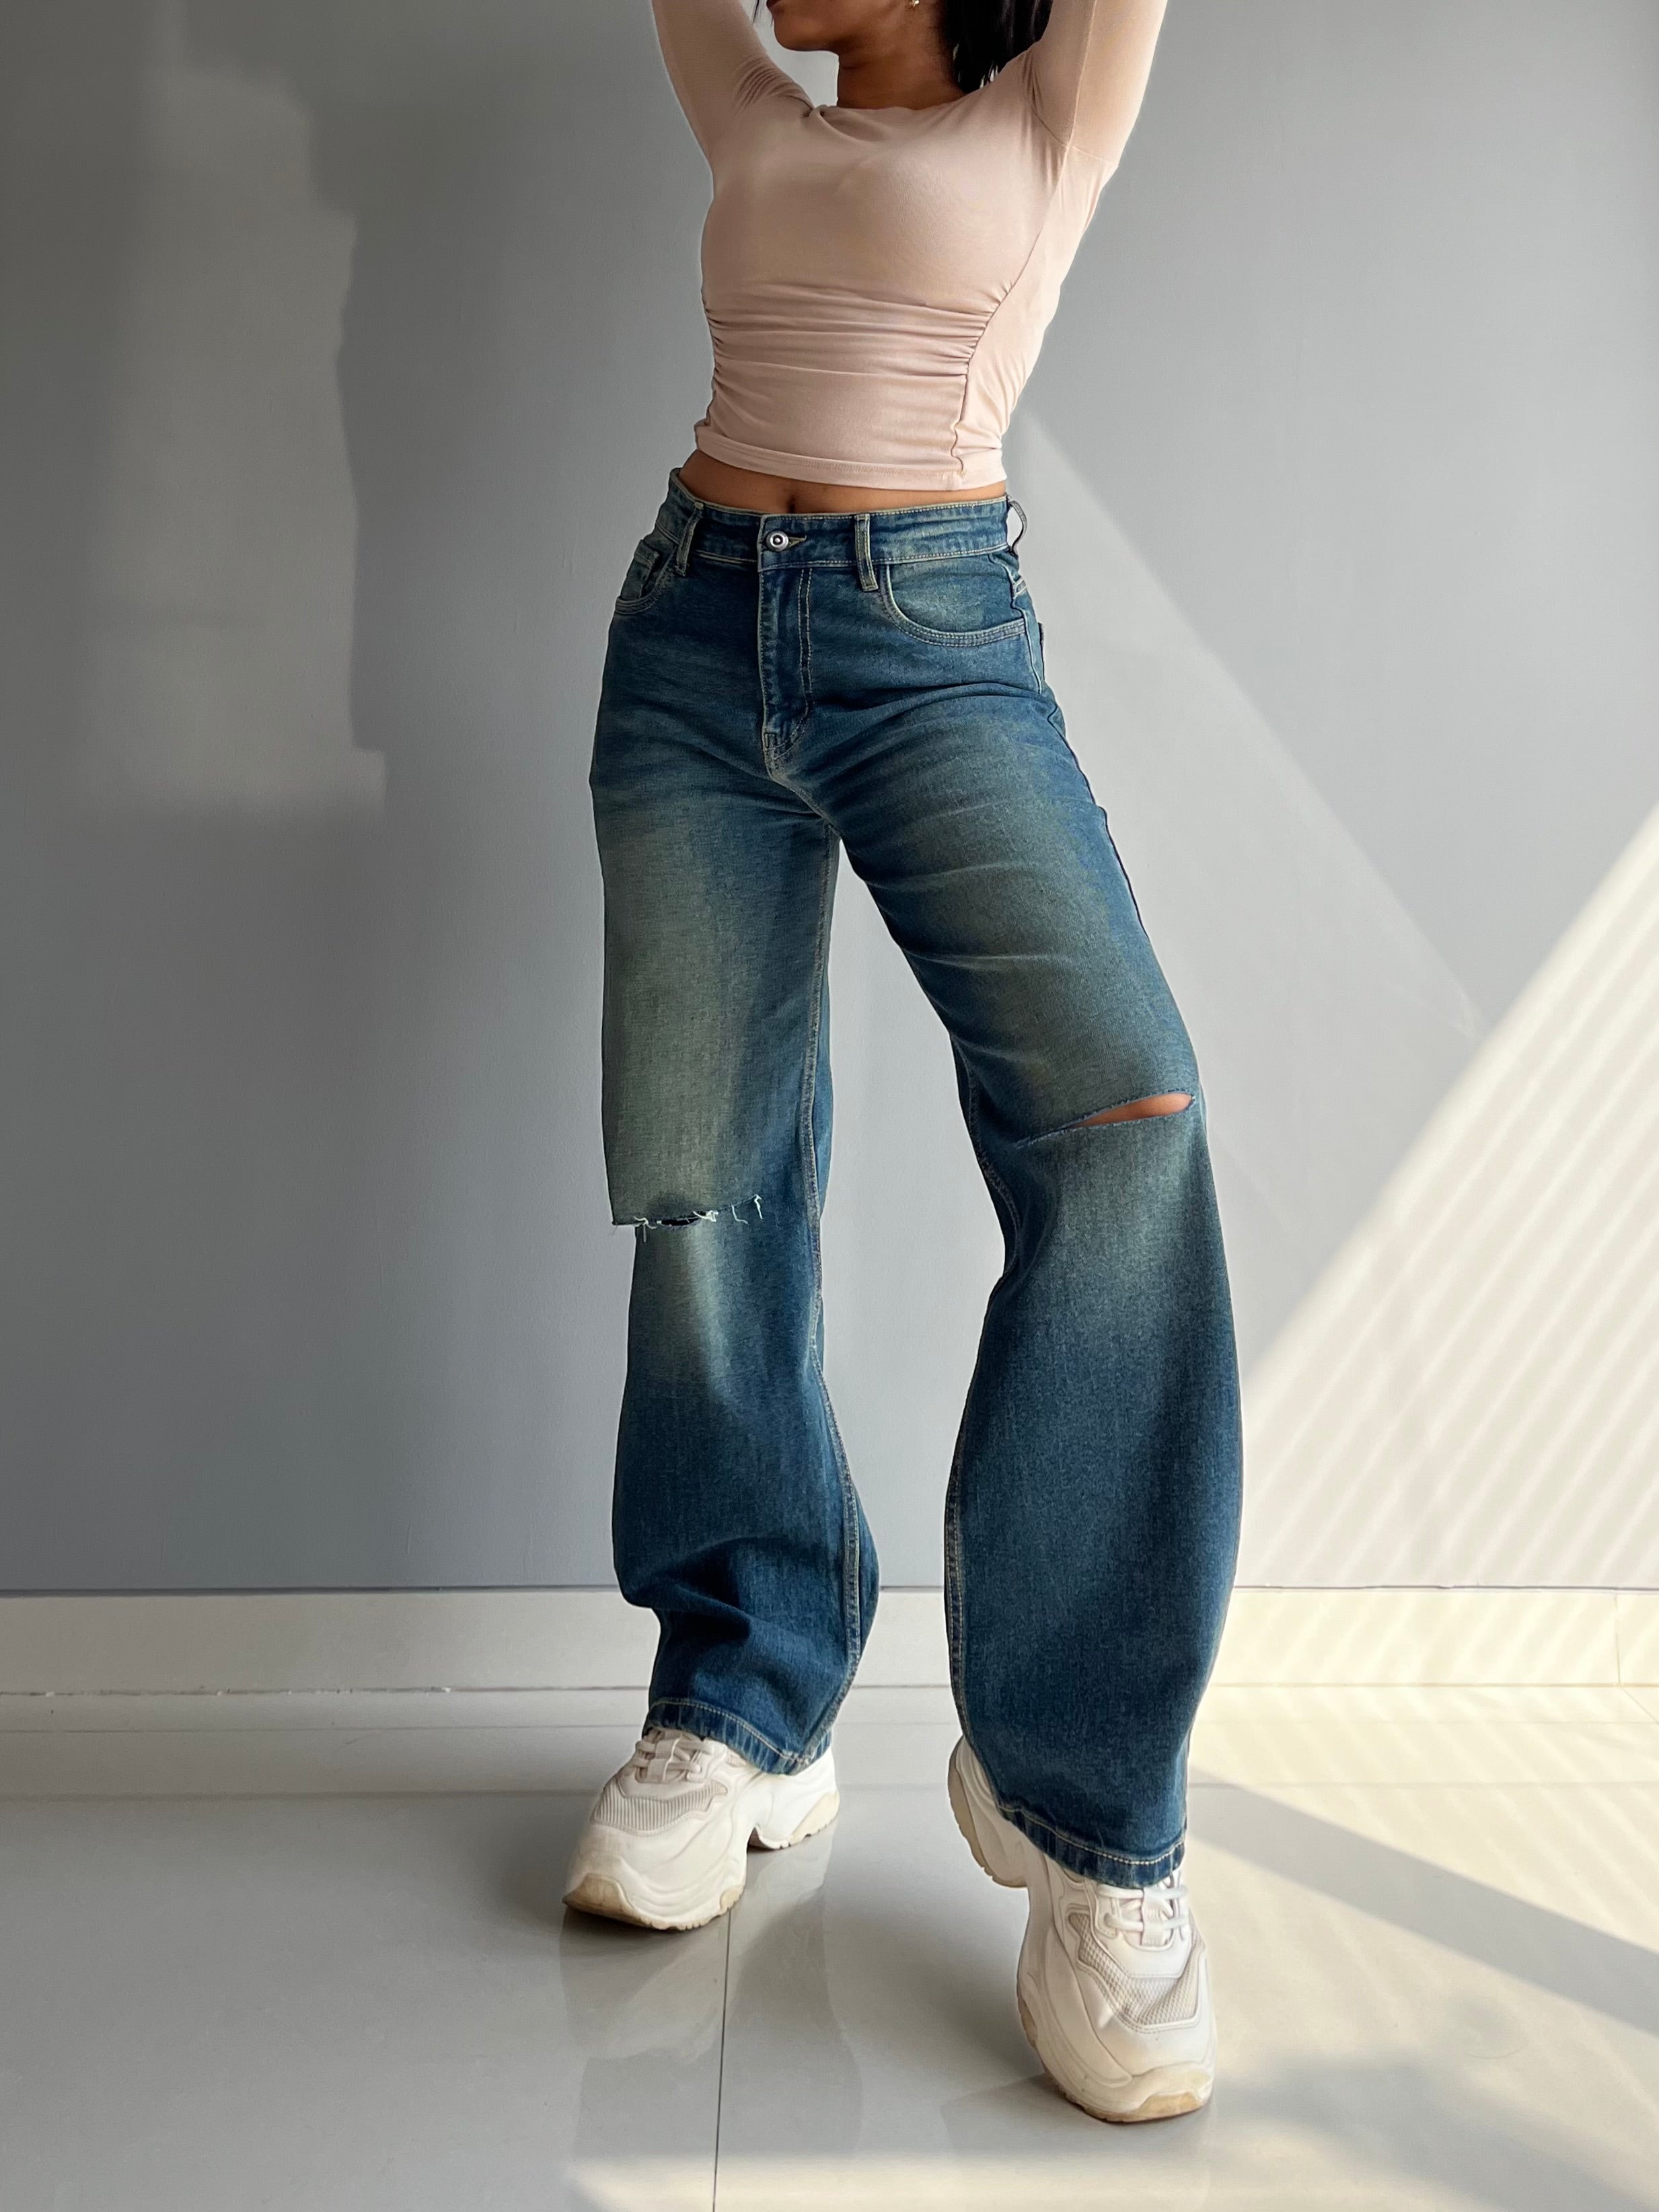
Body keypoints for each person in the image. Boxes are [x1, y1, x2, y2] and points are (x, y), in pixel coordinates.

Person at [565, 0, 1242, 2125]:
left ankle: (1082, 1808)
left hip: (927, 641)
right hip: (687, 641)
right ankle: (744, 1696)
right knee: (702, 1176)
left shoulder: (1052, 115)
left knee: (1123, 1120)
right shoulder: (752, 113)